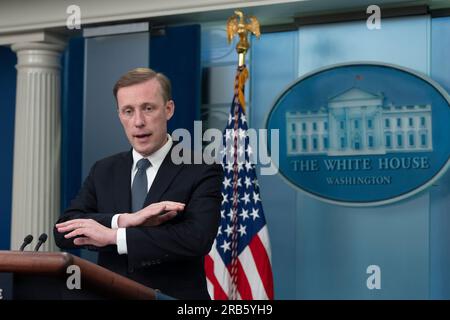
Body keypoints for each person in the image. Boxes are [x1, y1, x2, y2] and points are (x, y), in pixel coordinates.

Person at [54, 67, 223, 299]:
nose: (138, 121)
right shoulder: (104, 170)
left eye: (148, 108)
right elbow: (64, 230)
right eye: (128, 111)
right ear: (119, 116)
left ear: (168, 109)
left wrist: (115, 236)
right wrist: (123, 220)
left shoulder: (201, 168)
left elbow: (196, 238)